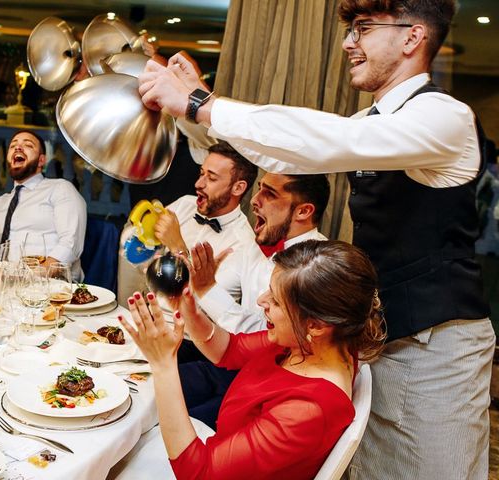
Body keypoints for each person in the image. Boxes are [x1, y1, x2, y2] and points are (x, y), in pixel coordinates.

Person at [137, 1, 495, 478]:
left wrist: (203, 104)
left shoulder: (444, 117)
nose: (349, 42)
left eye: (363, 28)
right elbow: (289, 149)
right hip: (385, 338)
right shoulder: (371, 120)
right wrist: (198, 104)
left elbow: (326, 141)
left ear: (412, 38)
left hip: (435, 346)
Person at [119, 240, 385, 480]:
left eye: (276, 301)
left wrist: (164, 364)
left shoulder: (309, 409)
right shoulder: (314, 344)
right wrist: (189, 308)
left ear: (315, 325)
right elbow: (230, 351)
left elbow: (198, 473)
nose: (261, 301)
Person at [181, 173, 330, 428]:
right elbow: (215, 290)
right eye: (259, 189)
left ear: (303, 211)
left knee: (176, 422)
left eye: (269, 194)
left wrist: (206, 289)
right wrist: (199, 285)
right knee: (147, 385)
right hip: (233, 364)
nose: (254, 200)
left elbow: (265, 335)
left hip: (266, 383)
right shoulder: (258, 243)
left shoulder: (315, 267)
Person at [118, 141, 257, 305]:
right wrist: (145, 235)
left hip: (189, 328)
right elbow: (133, 246)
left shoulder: (243, 245)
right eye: (201, 173)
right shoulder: (185, 204)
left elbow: (204, 305)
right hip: (149, 313)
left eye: (211, 178)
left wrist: (177, 247)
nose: (198, 184)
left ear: (238, 188)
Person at [0, 129, 86, 278]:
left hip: (52, 286)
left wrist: (34, 277)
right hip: (5, 286)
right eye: (13, 146)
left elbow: (70, 244)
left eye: (28, 145)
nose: (18, 148)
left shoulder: (60, 189)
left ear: (41, 160)